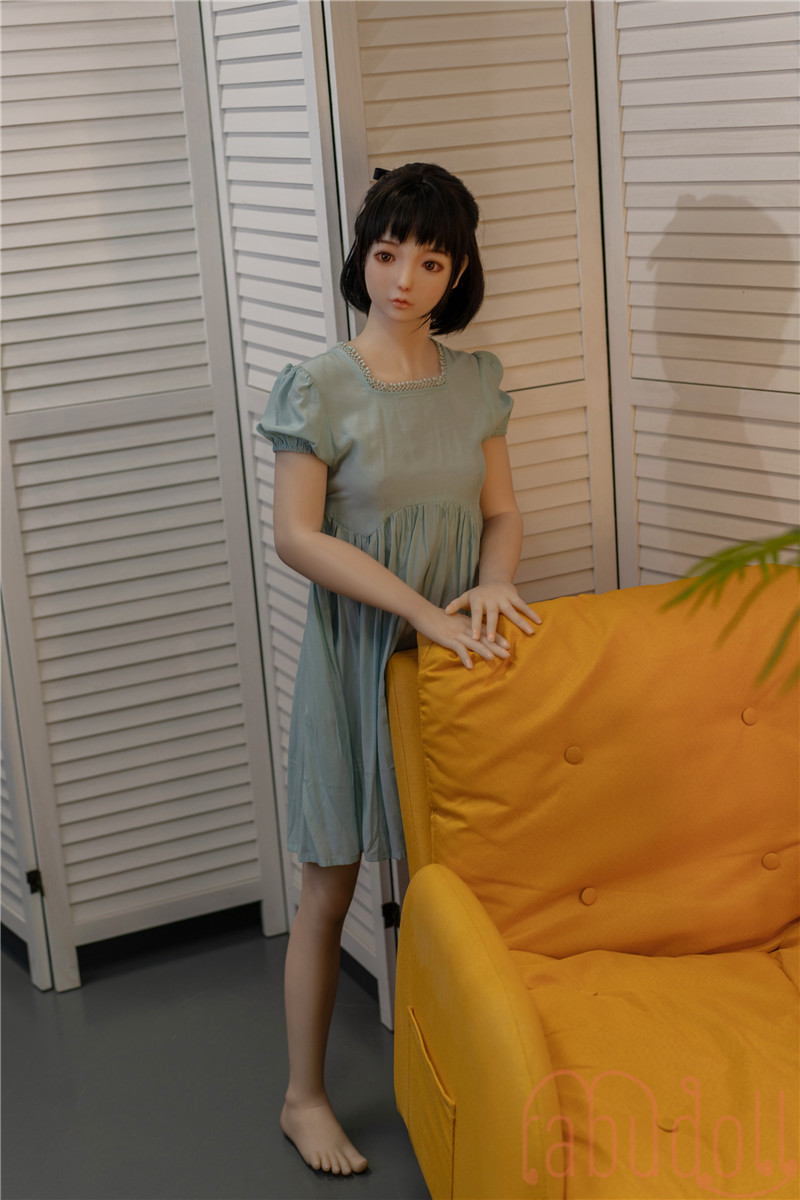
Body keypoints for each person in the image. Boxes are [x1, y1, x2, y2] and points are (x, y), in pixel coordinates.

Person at [257, 162, 541, 1176]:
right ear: (363, 258)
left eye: (428, 261)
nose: (403, 280)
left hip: (453, 667)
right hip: (359, 661)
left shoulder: (474, 383)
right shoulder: (320, 384)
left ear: (457, 271)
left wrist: (495, 582)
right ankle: (303, 1098)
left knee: (454, 888)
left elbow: (500, 513)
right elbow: (295, 535)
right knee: (329, 889)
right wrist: (419, 610)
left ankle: (454, 1078)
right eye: (386, 254)